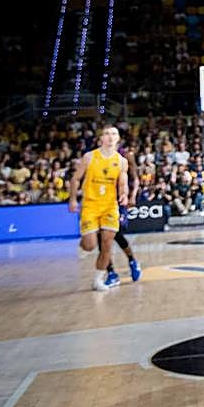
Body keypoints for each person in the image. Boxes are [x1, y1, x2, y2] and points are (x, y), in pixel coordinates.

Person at [69, 125, 130, 292]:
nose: (110, 137)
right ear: (101, 138)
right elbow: (75, 179)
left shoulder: (122, 161)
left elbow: (123, 183)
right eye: (107, 134)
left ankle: (98, 280)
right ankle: (82, 246)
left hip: (110, 206)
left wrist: (124, 194)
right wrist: (73, 199)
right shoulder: (89, 157)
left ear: (118, 138)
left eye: (114, 134)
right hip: (90, 205)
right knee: (90, 245)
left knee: (107, 245)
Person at [103, 142, 142, 287]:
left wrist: (132, 196)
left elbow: (135, 178)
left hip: (120, 202)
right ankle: (111, 273)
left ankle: (132, 261)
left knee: (116, 234)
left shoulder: (125, 157)